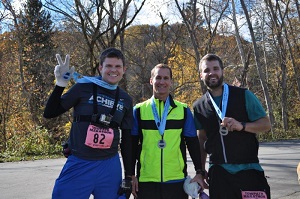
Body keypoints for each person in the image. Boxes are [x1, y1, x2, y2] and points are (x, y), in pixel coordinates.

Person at [43, 47, 133, 199]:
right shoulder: (83, 87)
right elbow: (50, 112)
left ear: (124, 70)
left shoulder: (126, 99)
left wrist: (129, 176)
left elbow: (128, 140)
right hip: (80, 162)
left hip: (109, 165)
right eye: (108, 66)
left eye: (117, 66)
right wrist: (60, 84)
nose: (113, 70)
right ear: (100, 68)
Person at [193, 53, 271, 199]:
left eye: (215, 68)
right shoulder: (199, 106)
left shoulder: (244, 95)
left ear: (222, 71)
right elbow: (201, 139)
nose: (211, 73)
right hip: (219, 173)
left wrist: (242, 125)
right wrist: (200, 171)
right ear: (201, 75)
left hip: (249, 169)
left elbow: (266, 124)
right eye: (206, 70)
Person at [131, 63, 208, 199]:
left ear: (171, 82)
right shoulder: (139, 110)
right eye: (158, 77)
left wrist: (199, 172)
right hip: (146, 181)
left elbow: (192, 143)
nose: (162, 82)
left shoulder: (183, 110)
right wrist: (130, 175)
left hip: (176, 180)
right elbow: (130, 145)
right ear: (151, 81)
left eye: (166, 78)